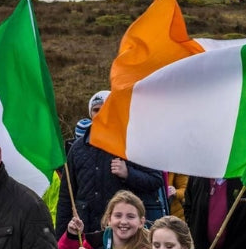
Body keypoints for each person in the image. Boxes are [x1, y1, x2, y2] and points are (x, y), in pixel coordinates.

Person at [57, 91, 165, 235]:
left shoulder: (133, 144)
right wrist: (61, 238)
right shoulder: (77, 149)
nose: (101, 113)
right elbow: (66, 196)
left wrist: (128, 174)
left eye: (106, 108)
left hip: (124, 234)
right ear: (90, 114)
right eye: (96, 109)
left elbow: (156, 180)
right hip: (86, 234)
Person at [59, 190, 151, 249]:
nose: (123, 221)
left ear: (141, 222)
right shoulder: (95, 242)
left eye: (130, 217)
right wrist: (72, 237)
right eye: (118, 215)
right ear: (109, 219)